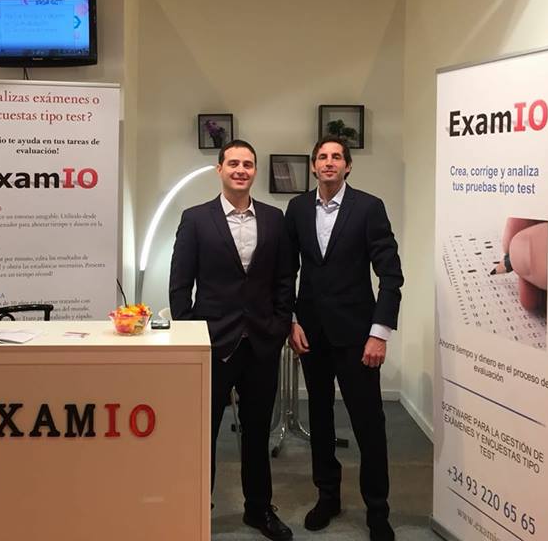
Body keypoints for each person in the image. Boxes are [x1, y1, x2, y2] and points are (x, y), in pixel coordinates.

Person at [169, 139, 294, 541]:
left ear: (254, 171)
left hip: (261, 343)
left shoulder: (274, 219)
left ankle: (258, 509)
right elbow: (179, 284)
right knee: (203, 432)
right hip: (211, 343)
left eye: (248, 164)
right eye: (234, 163)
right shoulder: (195, 219)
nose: (241, 170)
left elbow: (284, 278)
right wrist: (190, 333)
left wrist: (280, 325)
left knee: (256, 432)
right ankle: (196, 509)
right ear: (219, 169)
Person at [285, 136, 403, 541]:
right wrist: (291, 320)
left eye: (337, 156)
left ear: (348, 166)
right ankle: (328, 497)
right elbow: (286, 270)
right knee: (319, 419)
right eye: (322, 157)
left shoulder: (369, 208)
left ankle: (378, 511)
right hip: (312, 335)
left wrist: (379, 333)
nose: (329, 162)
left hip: (358, 338)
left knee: (368, 425)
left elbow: (391, 276)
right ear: (314, 166)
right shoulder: (298, 208)